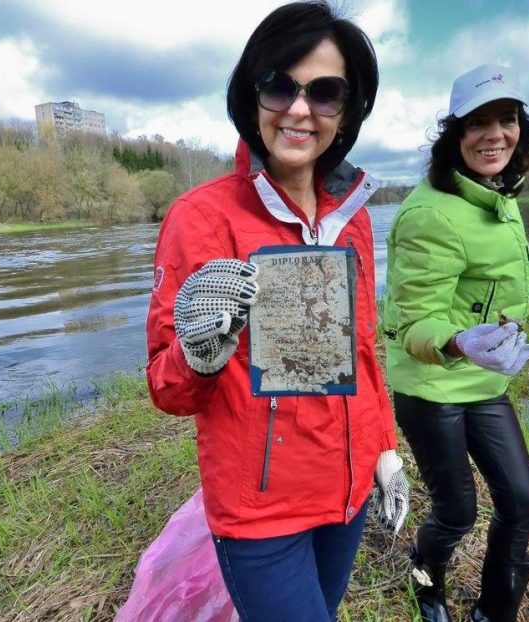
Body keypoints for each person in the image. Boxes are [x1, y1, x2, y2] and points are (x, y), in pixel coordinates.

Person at [145, 3, 409, 620]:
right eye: (278, 85)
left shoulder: (354, 216)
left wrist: (384, 449)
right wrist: (201, 353)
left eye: (324, 92)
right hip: (260, 513)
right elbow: (166, 385)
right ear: (250, 93)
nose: (298, 109)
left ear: (347, 110)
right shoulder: (202, 218)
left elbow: (363, 352)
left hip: (346, 498)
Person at [381, 64, 529, 622]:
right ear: (455, 134)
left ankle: (493, 612)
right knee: (455, 511)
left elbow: (490, 275)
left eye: (507, 120)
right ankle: (425, 585)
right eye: (478, 123)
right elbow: (412, 325)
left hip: (482, 380)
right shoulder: (430, 212)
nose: (495, 134)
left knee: (523, 503)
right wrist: (456, 343)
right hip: (431, 385)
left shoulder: (496, 193)